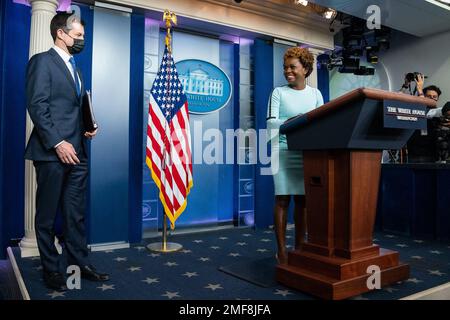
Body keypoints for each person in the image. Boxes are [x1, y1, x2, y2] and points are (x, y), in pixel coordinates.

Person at [24, 12, 109, 291]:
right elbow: (38, 106)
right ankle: (52, 270)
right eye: (79, 35)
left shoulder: (76, 68)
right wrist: (59, 142)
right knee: (47, 216)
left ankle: (79, 264)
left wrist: (88, 126)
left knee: (75, 214)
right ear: (61, 33)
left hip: (79, 153)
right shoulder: (42, 62)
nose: (82, 40)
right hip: (51, 153)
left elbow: (73, 106)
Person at [266, 47, 324, 265]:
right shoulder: (278, 92)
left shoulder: (316, 94)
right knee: (282, 199)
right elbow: (271, 123)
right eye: (285, 67)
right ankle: (281, 252)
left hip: (307, 153)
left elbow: (321, 122)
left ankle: (299, 247)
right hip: (281, 151)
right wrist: (299, 120)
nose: (287, 71)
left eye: (293, 66)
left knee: (303, 200)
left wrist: (304, 123)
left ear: (306, 69)